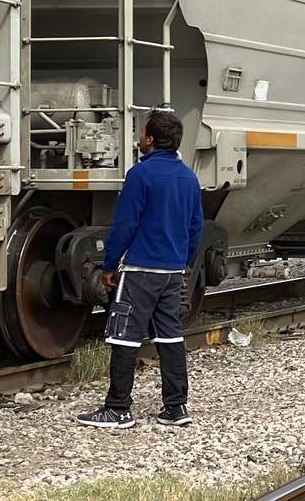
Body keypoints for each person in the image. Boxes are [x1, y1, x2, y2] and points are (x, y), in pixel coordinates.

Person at [78, 111, 204, 429]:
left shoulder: (141, 174)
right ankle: (176, 407)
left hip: (140, 270)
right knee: (170, 336)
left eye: (142, 131)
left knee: (125, 336)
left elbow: (125, 224)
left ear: (149, 139)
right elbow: (196, 228)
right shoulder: (189, 178)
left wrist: (109, 264)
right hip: (172, 271)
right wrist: (182, 263)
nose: (139, 136)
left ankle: (118, 408)